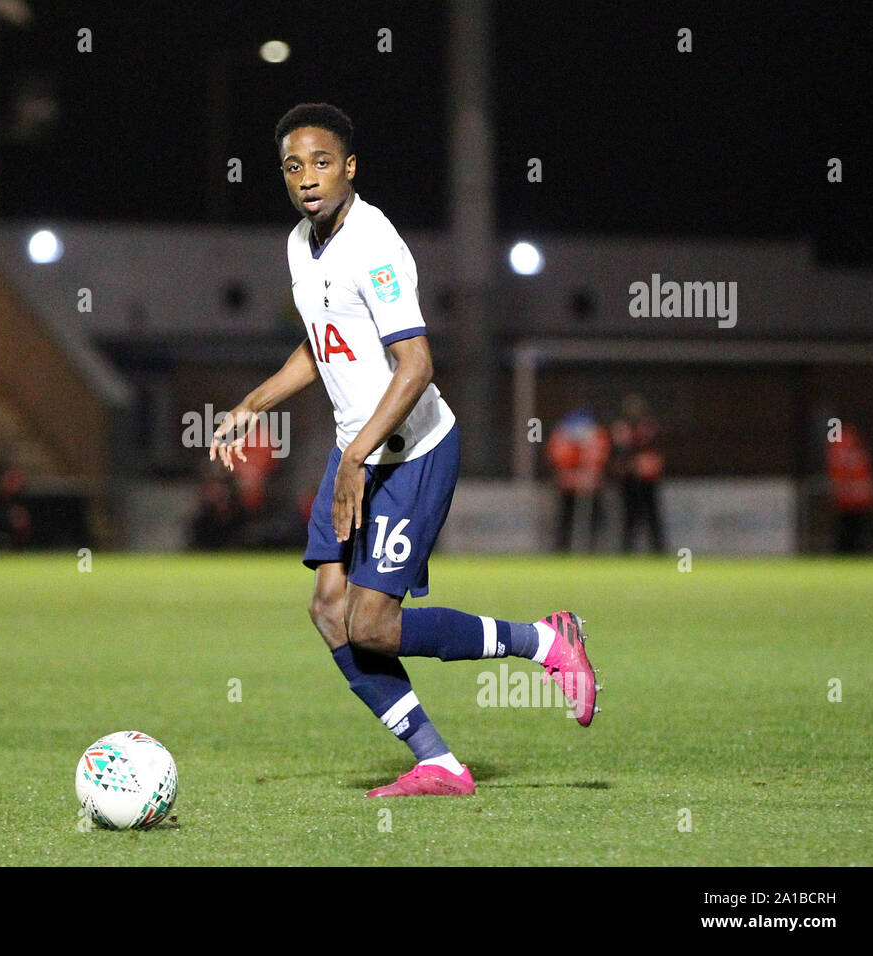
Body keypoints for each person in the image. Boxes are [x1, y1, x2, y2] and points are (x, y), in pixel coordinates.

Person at [209, 103, 599, 798]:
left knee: (374, 627)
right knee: (329, 609)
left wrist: (357, 458)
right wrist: (251, 405)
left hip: (411, 451)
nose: (307, 178)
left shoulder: (376, 244)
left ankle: (545, 642)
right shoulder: (301, 243)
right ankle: (439, 762)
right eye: (294, 166)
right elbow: (321, 344)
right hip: (356, 447)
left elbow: (416, 363)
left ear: (350, 167)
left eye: (322, 163)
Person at [546, 407, 610, 552]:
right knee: (565, 521)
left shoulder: (598, 437)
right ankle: (562, 551)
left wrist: (589, 476)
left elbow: (598, 463)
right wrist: (574, 478)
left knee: (595, 520)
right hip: (568, 490)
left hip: (591, 489)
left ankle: (592, 550)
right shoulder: (561, 437)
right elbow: (559, 464)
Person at [610, 394, 665, 552]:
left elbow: (655, 450)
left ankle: (658, 550)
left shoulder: (648, 425)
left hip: (647, 478)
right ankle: (627, 550)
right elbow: (618, 452)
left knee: (652, 516)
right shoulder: (622, 427)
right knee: (629, 517)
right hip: (629, 479)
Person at [826, 422, 873, 553]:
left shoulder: (842, 449)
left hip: (850, 498)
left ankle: (849, 552)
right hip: (856, 498)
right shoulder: (854, 450)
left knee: (850, 530)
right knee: (852, 530)